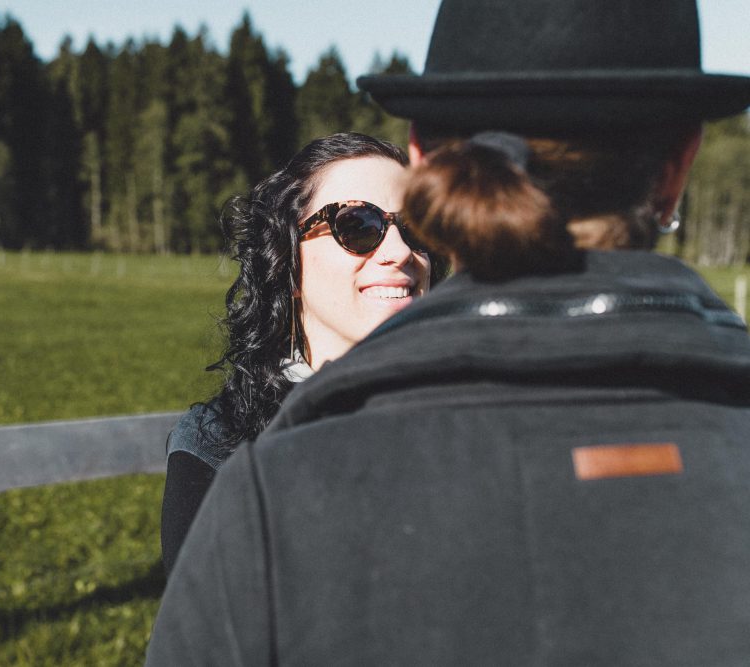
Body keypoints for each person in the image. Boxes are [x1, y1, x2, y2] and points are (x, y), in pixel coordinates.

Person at [146, 0, 750, 664]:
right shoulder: (228, 451)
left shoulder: (272, 497)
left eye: (408, 226)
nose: (396, 252)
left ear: (423, 157)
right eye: (356, 226)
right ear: (680, 165)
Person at [161, 132, 446, 575]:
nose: (401, 251)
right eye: (358, 226)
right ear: (287, 260)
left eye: (417, 227)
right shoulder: (220, 441)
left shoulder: (465, 413)